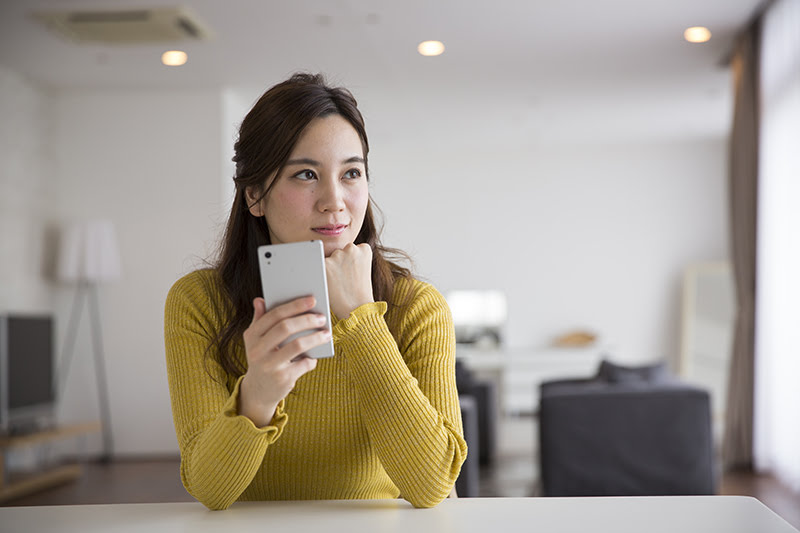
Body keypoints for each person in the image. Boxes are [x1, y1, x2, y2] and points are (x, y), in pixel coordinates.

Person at [164, 73, 467, 510]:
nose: (334, 201)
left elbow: (433, 485)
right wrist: (260, 393)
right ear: (255, 195)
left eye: (351, 173)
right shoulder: (199, 302)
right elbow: (211, 490)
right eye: (306, 174)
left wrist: (363, 321)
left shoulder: (416, 307)